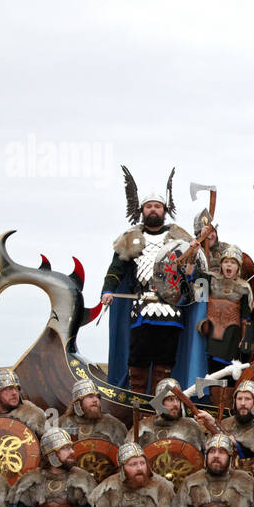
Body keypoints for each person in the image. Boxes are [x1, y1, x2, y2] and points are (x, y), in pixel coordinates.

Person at [100, 168, 196, 394]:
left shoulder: (180, 238)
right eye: (149, 206)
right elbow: (116, 269)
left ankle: (160, 403)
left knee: (165, 359)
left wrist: (192, 256)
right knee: (138, 358)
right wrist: (108, 290)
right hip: (141, 306)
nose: (153, 209)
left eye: (157, 206)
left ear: (164, 210)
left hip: (171, 307)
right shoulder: (131, 238)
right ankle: (137, 404)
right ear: (142, 210)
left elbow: (190, 273)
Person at [199, 245, 254, 374]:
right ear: (221, 264)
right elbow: (192, 275)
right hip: (210, 330)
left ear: (238, 267)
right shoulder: (210, 279)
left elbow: (246, 317)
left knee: (226, 371)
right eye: (226, 261)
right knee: (209, 370)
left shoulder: (244, 288)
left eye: (233, 262)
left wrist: (245, 339)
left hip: (231, 335)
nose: (229, 265)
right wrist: (194, 252)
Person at [138, 377, 208, 447]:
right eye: (170, 400)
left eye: (178, 400)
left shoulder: (192, 427)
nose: (175, 404)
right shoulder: (142, 427)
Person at [61, 378, 128, 445]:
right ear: (78, 403)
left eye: (97, 397)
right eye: (90, 396)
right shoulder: (64, 423)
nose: (96, 400)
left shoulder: (113, 424)